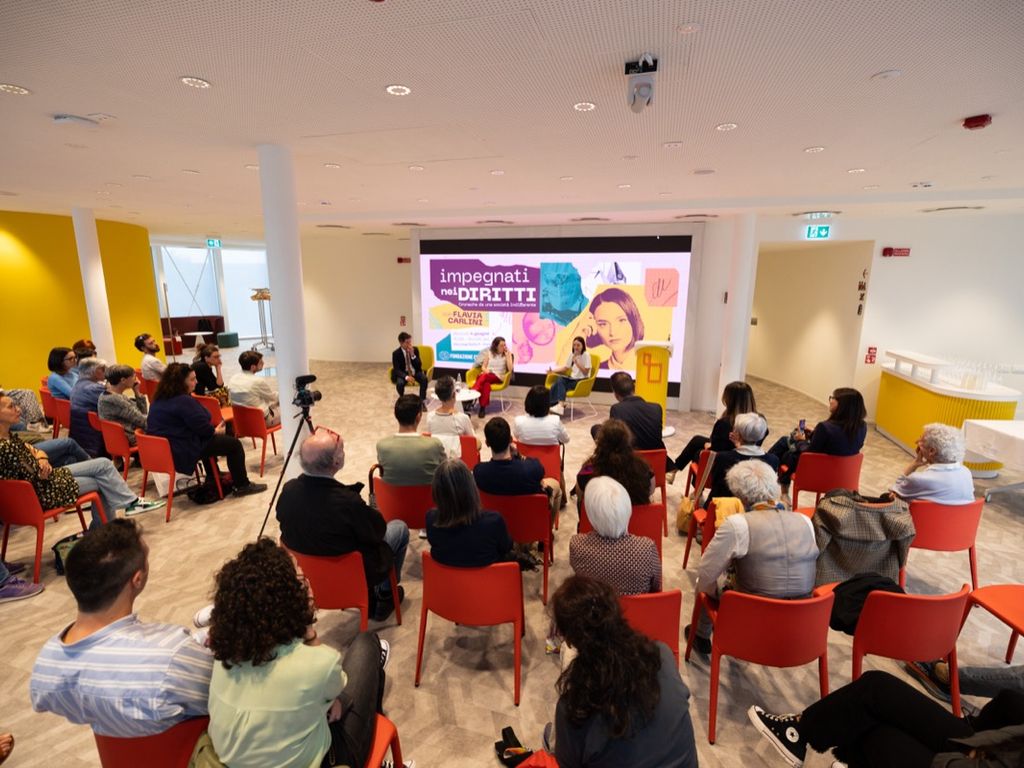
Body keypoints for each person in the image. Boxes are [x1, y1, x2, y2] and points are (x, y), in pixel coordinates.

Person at [206, 538, 396, 768]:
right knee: (367, 645)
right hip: (323, 760)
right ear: (290, 598)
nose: (307, 583)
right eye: (301, 579)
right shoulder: (318, 664)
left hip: (234, 762)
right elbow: (336, 689)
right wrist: (310, 634)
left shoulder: (223, 656)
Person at [29, 519, 213, 736]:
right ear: (137, 579)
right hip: (193, 746)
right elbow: (222, 695)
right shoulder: (171, 654)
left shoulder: (46, 664)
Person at [550, 575, 698, 768]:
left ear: (569, 640)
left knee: (549, 741)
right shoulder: (662, 655)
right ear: (616, 613)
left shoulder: (574, 709)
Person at [749, 670, 1024, 768]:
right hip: (995, 746)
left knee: (879, 736)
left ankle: (802, 733)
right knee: (877, 688)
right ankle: (799, 731)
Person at [276, 428, 409, 622]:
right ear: (336, 462)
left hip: (310, 574)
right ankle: (385, 594)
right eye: (341, 449)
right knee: (399, 528)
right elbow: (377, 532)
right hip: (352, 573)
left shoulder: (288, 491)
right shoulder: (348, 502)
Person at [688, 460, 818, 654]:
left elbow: (707, 573)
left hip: (752, 614)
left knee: (705, 579)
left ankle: (701, 634)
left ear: (741, 496)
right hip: (799, 617)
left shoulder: (738, 524)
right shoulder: (805, 521)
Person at [0, 393, 165, 532]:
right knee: (103, 481)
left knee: (103, 465)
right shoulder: (5, 447)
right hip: (42, 492)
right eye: (11, 407)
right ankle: (108, 526)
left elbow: (36, 451)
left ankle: (110, 523)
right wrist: (40, 464)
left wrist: (41, 458)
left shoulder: (9, 436)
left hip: (46, 482)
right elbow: (35, 474)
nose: (18, 409)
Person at [146, 363, 267, 497]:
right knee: (234, 444)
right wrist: (215, 431)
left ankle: (212, 475)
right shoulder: (183, 401)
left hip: (165, 450)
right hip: (183, 450)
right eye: (192, 379)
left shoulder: (158, 400)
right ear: (180, 383)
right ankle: (242, 485)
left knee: (208, 439)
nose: (196, 382)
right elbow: (203, 428)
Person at [569, 476, 661, 595]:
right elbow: (656, 586)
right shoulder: (646, 549)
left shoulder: (576, 545)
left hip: (597, 605)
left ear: (590, 515)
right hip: (638, 607)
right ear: (627, 508)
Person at [770, 386, 867, 491]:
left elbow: (809, 453)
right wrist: (815, 434)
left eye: (833, 398)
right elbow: (839, 441)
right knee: (786, 442)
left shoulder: (825, 427)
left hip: (817, 473)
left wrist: (801, 440)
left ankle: (766, 473)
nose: (831, 401)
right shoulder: (862, 426)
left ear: (842, 405)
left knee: (786, 444)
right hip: (843, 476)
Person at [426, 459, 514, 567]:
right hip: (489, 577)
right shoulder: (493, 522)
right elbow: (506, 547)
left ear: (436, 491)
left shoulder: (431, 519)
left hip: (446, 578)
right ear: (471, 487)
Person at [474, 417, 562, 521]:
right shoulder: (532, 469)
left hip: (496, 524)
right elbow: (540, 471)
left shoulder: (479, 472)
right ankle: (547, 528)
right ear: (511, 440)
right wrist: (519, 455)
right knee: (555, 485)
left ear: (487, 443)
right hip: (528, 523)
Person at [674, 380, 759, 470]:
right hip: (745, 459)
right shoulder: (758, 423)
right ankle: (674, 468)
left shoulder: (725, 423)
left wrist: (709, 446)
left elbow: (716, 450)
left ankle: (691, 474)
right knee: (697, 440)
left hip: (723, 462)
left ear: (730, 400)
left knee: (697, 452)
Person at [891, 422, 975, 505]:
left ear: (931, 451)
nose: (917, 442)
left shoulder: (918, 479)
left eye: (921, 440)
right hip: (962, 514)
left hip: (923, 514)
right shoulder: (966, 472)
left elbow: (895, 491)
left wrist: (914, 464)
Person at [604, 371, 673, 471]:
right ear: (634, 387)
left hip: (629, 464)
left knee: (598, 430)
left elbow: (615, 438)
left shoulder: (617, 409)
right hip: (656, 463)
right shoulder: (656, 408)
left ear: (615, 394)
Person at [705, 412, 780, 502]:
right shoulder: (773, 460)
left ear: (738, 434)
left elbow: (717, 488)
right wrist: (739, 445)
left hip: (725, 506)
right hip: (757, 508)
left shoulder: (723, 458)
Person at [577, 419, 654, 506]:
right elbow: (651, 491)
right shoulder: (643, 469)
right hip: (636, 514)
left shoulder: (587, 472)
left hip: (602, 514)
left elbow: (581, 496)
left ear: (599, 444)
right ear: (628, 442)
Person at [375, 394, 445, 487]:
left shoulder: (382, 446)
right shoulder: (434, 444)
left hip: (393, 496)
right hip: (428, 496)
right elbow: (445, 471)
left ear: (395, 415)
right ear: (419, 416)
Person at [586, 287, 645, 371]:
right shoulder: (597, 370)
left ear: (633, 321)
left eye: (621, 320)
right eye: (603, 324)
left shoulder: (650, 366)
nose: (612, 332)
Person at [424, 375, 475, 458]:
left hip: (437, 459)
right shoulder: (463, 418)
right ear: (454, 395)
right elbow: (472, 442)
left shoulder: (430, 417)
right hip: (457, 462)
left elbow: (430, 439)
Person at [97, 364, 148, 446]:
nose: (136, 380)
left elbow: (141, 414)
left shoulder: (107, 395)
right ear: (123, 380)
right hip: (130, 439)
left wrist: (137, 392)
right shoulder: (116, 400)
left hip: (121, 437)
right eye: (134, 377)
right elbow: (143, 422)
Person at [228, 350, 280, 427]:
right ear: (253, 367)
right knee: (287, 411)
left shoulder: (233, 379)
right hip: (260, 422)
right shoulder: (257, 381)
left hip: (242, 422)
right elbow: (272, 397)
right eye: (261, 362)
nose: (263, 363)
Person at [69, 356, 108, 457]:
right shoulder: (93, 388)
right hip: (95, 438)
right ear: (94, 371)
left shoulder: (78, 385)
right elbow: (118, 405)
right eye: (103, 369)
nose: (106, 371)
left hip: (83, 437)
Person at [547, 335, 590, 415]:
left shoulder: (586, 355)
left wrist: (577, 363)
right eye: (574, 345)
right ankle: (556, 405)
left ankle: (559, 405)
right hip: (572, 379)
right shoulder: (572, 354)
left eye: (578, 345)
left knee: (559, 382)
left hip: (581, 381)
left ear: (583, 346)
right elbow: (565, 368)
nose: (576, 347)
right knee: (556, 383)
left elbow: (586, 372)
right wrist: (552, 371)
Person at [471, 336, 513, 417]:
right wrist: (486, 371)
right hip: (488, 375)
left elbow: (510, 369)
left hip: (498, 377)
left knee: (484, 377)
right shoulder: (489, 353)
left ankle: (473, 391)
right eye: (501, 345)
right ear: (496, 346)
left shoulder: (507, 354)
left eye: (505, 345)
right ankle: (482, 408)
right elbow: (483, 367)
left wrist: (508, 356)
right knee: (486, 384)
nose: (504, 347)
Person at [391, 331, 428, 402]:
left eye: (410, 342)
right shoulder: (396, 353)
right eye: (407, 342)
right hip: (404, 373)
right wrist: (406, 377)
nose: (409, 344)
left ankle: (422, 399)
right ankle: (402, 398)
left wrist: (413, 355)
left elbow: (419, 365)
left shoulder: (415, 350)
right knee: (400, 383)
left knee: (424, 379)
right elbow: (397, 369)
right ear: (401, 343)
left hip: (415, 371)